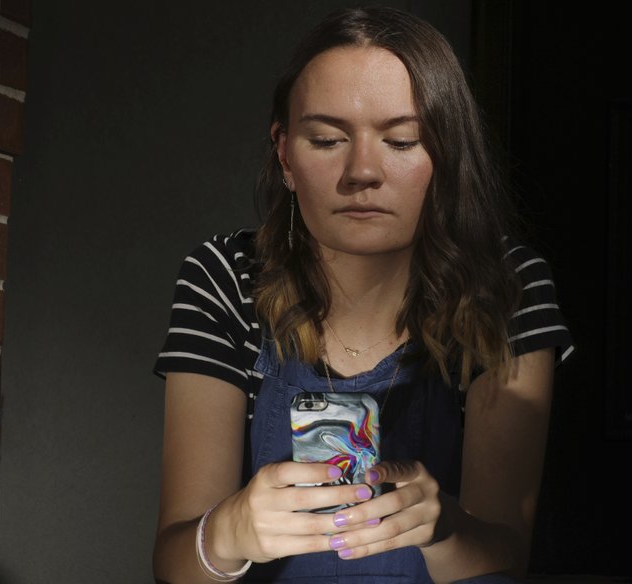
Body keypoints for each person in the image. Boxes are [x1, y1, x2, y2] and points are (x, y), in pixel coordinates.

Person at [152, 7, 572, 583]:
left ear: (446, 157)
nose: (361, 172)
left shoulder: (509, 286)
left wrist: (442, 528)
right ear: (285, 155)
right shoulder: (226, 277)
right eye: (326, 139)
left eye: (401, 141)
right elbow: (175, 563)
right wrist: (229, 532)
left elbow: (505, 555)